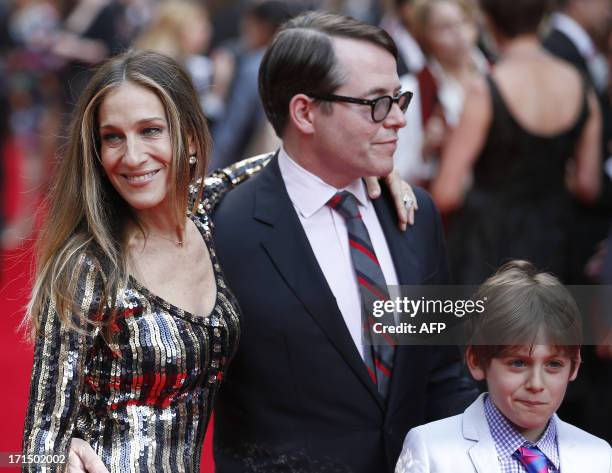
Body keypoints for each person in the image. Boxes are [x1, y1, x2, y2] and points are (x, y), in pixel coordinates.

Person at [21, 47, 416, 472]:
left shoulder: (210, 214)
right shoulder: (89, 265)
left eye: (151, 131)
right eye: (113, 137)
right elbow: (37, 441)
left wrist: (365, 161)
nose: (131, 156)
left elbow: (275, 165)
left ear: (190, 139)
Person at [211, 11, 478, 473]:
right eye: (376, 103)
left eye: (399, 99)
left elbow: (440, 372)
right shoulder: (228, 231)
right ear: (305, 112)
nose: (397, 119)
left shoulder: (413, 214)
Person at [431, 0, 602, 284]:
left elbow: (446, 192)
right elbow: (588, 185)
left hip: (490, 246)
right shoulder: (581, 84)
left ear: (489, 22)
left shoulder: (485, 88)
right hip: (556, 241)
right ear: (543, 19)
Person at [395, 260, 612, 473]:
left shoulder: (598, 456)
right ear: (476, 360)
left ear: (574, 366)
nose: (536, 384)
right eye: (518, 363)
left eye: (553, 364)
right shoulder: (430, 449)